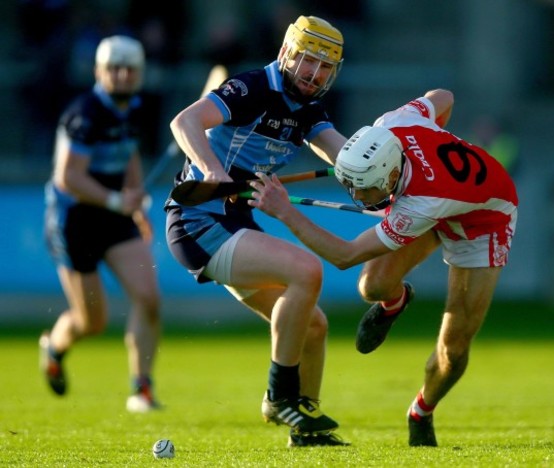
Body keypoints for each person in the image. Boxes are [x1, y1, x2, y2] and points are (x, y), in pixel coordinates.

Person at [249, 89, 519, 447]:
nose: (358, 199)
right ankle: (395, 302)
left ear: (392, 174)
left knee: (452, 353)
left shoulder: (420, 204)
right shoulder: (394, 123)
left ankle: (421, 410)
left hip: (484, 221)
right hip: (433, 197)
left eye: (366, 190)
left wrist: (285, 212)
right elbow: (444, 96)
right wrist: (437, 142)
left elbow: (345, 256)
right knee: (372, 288)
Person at [165, 16, 349, 447]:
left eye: (324, 67)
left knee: (313, 326)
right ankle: (279, 396)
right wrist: (210, 168)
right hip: (198, 221)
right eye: (307, 61)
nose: (314, 74)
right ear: (286, 53)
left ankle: (305, 423)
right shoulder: (253, 88)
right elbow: (184, 122)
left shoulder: (309, 109)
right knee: (306, 270)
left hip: (236, 222)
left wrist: (376, 167)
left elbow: (344, 153)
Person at [41, 35, 162, 413]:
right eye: (114, 68)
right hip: (74, 221)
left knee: (149, 299)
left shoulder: (135, 109)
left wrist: (135, 201)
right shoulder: (84, 114)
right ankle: (54, 346)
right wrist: (115, 199)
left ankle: (141, 387)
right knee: (92, 321)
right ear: (98, 72)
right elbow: (68, 177)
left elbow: (129, 154)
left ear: (140, 73)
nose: (123, 75)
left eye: (130, 69)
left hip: (115, 217)